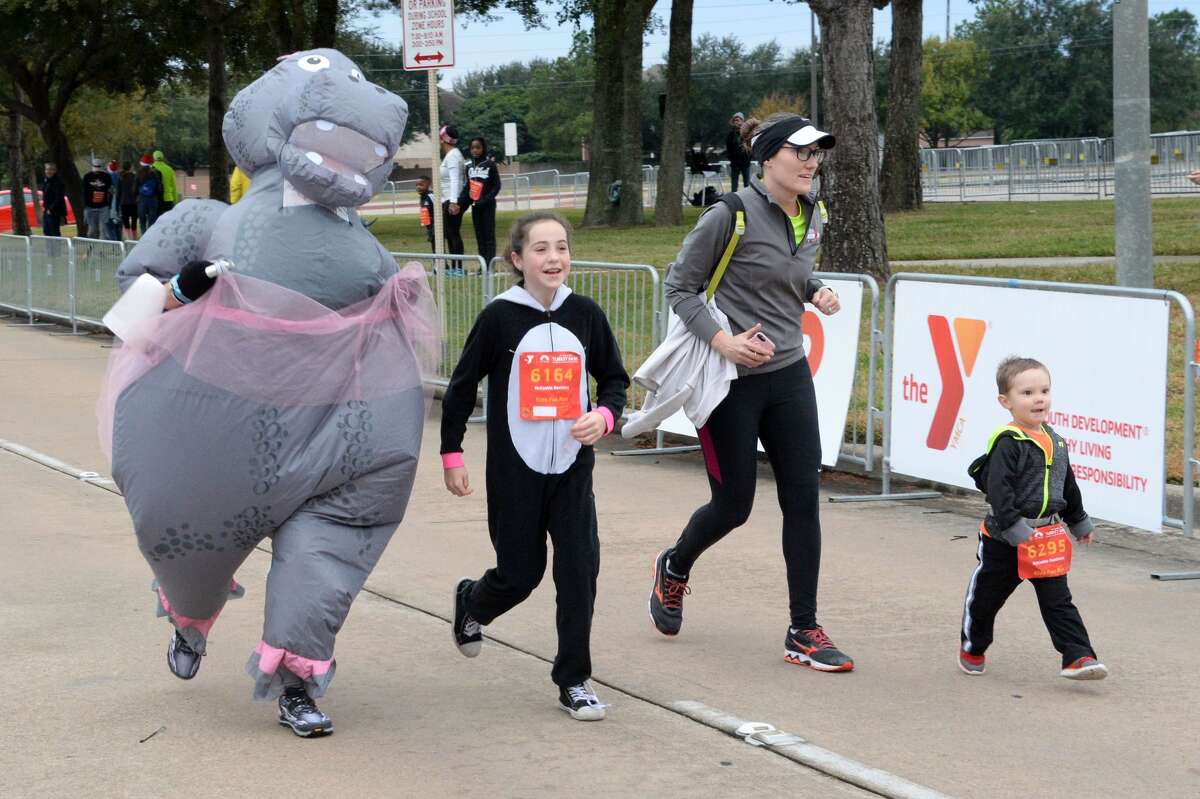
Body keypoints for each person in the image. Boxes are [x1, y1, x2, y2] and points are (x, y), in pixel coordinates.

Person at [103, 49, 428, 739]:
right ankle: (189, 617)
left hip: (332, 433)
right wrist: (182, 288)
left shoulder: (360, 240)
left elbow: (385, 304)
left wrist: (398, 298)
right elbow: (129, 304)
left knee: (326, 551)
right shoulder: (210, 221)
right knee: (186, 531)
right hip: (217, 420)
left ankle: (297, 682)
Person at [647, 113, 852, 672]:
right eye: (800, 152)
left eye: (816, 154)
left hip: (789, 375)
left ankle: (803, 628)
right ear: (767, 157)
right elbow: (680, 286)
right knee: (734, 506)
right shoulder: (729, 215)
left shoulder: (814, 213)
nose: (812, 163)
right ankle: (674, 565)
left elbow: (788, 274)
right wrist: (725, 342)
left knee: (802, 500)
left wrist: (816, 289)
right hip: (729, 382)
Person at [442, 212, 629, 721]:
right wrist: (452, 454)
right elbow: (461, 387)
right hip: (515, 472)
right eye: (541, 249)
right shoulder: (499, 317)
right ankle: (473, 602)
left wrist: (604, 416)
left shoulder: (585, 314)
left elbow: (615, 379)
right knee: (520, 574)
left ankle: (574, 679)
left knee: (578, 571)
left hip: (572, 469)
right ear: (518, 259)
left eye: (561, 247)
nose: (554, 258)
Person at [958, 357, 1108, 681]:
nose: (1038, 399)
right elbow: (998, 490)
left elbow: (1067, 484)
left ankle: (1078, 656)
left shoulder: (1056, 441)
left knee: (1058, 601)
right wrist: (1012, 525)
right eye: (1027, 393)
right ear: (1006, 402)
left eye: (1044, 391)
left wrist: (1078, 520)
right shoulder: (1008, 442)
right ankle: (973, 646)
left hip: (1044, 539)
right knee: (986, 600)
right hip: (1004, 541)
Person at [462, 136, 501, 267]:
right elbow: (468, 187)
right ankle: (483, 265)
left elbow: (497, 186)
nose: (475, 150)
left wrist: (485, 199)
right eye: (472, 148)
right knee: (479, 236)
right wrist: (459, 203)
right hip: (475, 206)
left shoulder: (490, 164)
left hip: (488, 205)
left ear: (483, 148)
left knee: (488, 235)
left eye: (478, 147)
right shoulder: (469, 167)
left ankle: (490, 265)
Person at [439, 125, 466, 270]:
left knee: (453, 233)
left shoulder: (453, 156)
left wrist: (453, 202)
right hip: (448, 199)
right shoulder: (452, 155)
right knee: (450, 234)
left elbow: (455, 179)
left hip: (452, 200)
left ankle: (458, 267)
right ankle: (455, 267)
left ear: (443, 139)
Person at [82, 158, 112, 239]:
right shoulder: (87, 177)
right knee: (92, 230)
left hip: (103, 206)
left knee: (103, 229)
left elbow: (110, 189)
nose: (97, 168)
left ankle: (103, 245)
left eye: (98, 166)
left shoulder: (106, 176)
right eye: (95, 166)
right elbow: (84, 191)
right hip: (90, 207)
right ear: (92, 166)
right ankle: (92, 245)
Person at [725, 112, 751, 192]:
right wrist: (731, 159)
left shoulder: (747, 133)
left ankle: (747, 198)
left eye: (738, 120)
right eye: (735, 120)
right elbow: (728, 148)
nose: (736, 122)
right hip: (735, 163)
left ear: (742, 121)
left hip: (745, 162)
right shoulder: (731, 134)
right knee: (734, 185)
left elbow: (750, 147)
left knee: (747, 184)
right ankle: (734, 199)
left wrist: (749, 158)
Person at [40, 162, 67, 237]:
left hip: (54, 211)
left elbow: (59, 197)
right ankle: (49, 245)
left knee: (54, 232)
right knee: (46, 231)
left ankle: (56, 245)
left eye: (50, 169)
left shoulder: (58, 182)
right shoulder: (46, 181)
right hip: (47, 209)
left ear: (55, 171)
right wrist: (45, 208)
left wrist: (51, 209)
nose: (48, 171)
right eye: (47, 169)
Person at [136, 161, 161, 234]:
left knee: (142, 220)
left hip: (142, 198)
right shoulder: (156, 173)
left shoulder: (139, 173)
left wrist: (136, 196)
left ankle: (143, 235)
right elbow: (159, 187)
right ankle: (150, 235)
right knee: (152, 219)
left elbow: (135, 187)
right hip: (153, 198)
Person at [119, 162, 139, 239]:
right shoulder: (135, 177)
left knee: (126, 222)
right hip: (134, 203)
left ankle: (128, 238)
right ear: (130, 168)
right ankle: (134, 238)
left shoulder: (121, 177)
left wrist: (118, 203)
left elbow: (118, 192)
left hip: (124, 203)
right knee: (134, 222)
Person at [104, 160, 123, 241]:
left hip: (111, 207)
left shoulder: (107, 178)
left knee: (110, 226)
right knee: (119, 226)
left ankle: (115, 243)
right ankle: (119, 242)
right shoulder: (120, 176)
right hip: (120, 207)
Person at [415, 175, 435, 253]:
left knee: (437, 245)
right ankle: (437, 259)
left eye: (421, 185)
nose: (418, 187)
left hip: (436, 226)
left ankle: (441, 260)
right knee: (433, 244)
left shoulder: (431, 196)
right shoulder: (422, 197)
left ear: (429, 184)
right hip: (430, 226)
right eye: (416, 185)